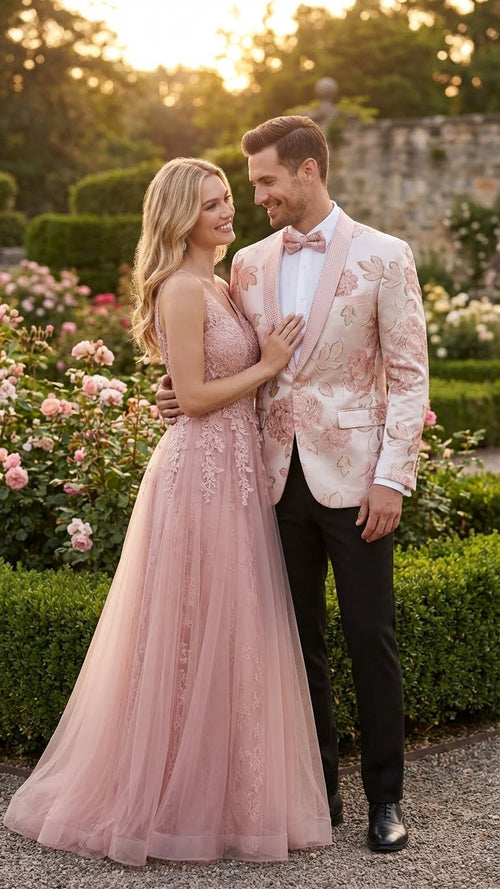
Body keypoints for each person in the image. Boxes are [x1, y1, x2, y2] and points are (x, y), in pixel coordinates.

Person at [3, 157, 333, 866]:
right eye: (212, 203)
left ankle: (221, 795)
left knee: (229, 628)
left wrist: (246, 376)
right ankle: (160, 799)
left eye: (226, 199)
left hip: (237, 473)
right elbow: (195, 394)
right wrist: (267, 365)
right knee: (184, 631)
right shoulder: (181, 289)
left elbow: (196, 386)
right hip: (196, 477)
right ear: (181, 215)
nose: (227, 212)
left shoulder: (221, 282)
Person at [156, 117, 430, 853]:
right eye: (251, 187)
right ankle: (318, 797)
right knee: (293, 641)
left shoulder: (384, 255)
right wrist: (178, 391)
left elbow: (408, 378)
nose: (257, 197)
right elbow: (224, 355)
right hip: (268, 481)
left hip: (358, 483)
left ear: (307, 172)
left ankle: (385, 801)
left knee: (371, 636)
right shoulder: (243, 264)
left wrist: (391, 479)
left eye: (266, 182)